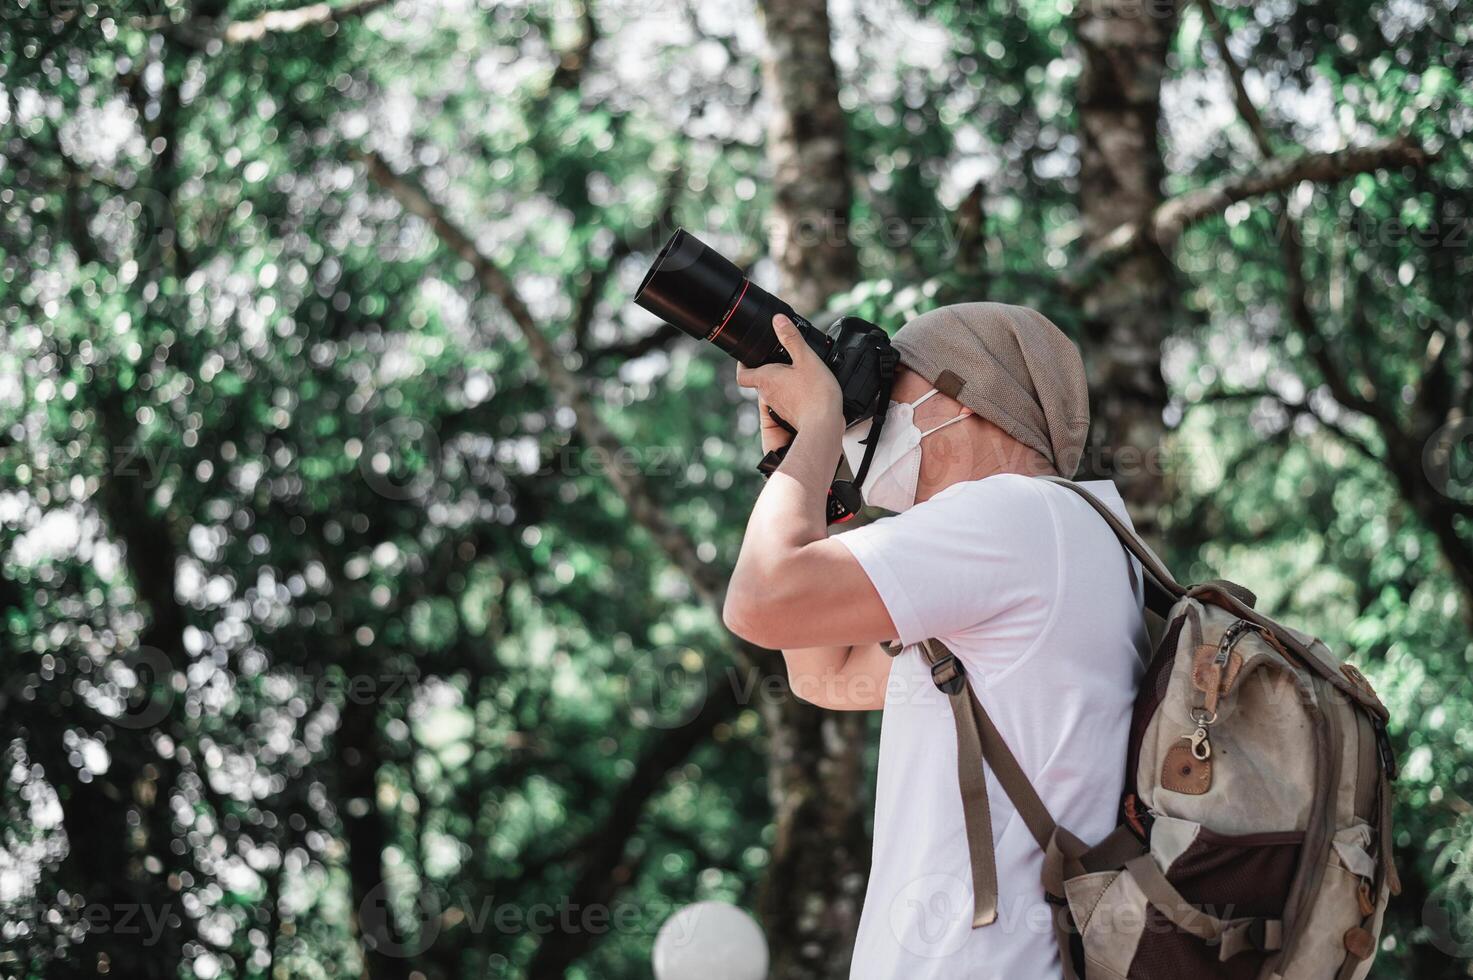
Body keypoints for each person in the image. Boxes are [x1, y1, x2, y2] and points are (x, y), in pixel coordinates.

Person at [723, 302, 1149, 979]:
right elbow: (824, 674)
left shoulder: (1015, 515)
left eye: (891, 388)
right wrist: (796, 460)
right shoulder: (1077, 536)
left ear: (968, 397)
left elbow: (759, 601)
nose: (873, 413)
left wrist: (820, 428)